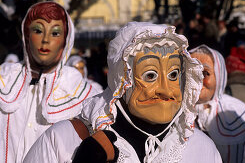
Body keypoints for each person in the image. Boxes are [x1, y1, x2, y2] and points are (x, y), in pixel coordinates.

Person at [24, 22, 222, 163]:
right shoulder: (65, 140)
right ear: (121, 79)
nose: (165, 89)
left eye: (173, 75)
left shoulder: (201, 148)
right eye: (150, 76)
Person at [0, 1, 97, 162]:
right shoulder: (5, 81)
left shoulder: (80, 93)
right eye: (38, 30)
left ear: (66, 39)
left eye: (55, 33)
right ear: (26, 35)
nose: (45, 39)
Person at [189, 44, 245, 163]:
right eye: (192, 72)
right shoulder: (172, 110)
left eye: (205, 73)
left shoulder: (240, 113)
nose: (198, 79)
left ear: (219, 75)